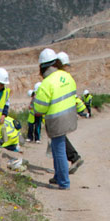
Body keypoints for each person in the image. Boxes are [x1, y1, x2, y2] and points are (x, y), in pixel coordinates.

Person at [34, 48, 77, 190]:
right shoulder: (66, 76)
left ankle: (64, 182)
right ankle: (58, 177)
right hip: (70, 117)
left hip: (56, 120)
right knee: (57, 147)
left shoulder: (46, 84)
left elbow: (39, 109)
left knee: (59, 151)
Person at [54, 51, 84, 178]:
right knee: (58, 141)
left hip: (57, 113)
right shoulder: (68, 78)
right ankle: (60, 171)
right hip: (67, 112)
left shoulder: (56, 78)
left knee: (58, 142)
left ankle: (64, 170)